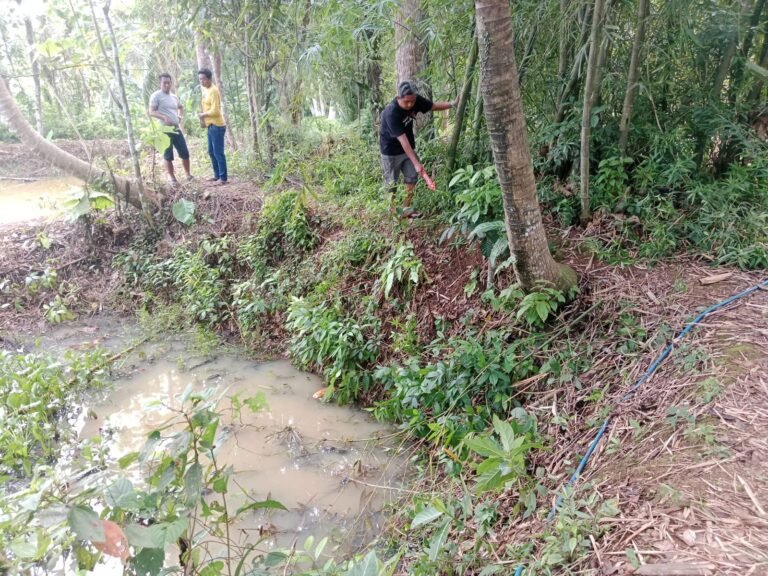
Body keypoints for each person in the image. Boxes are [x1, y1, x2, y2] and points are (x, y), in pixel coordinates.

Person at [379, 80, 456, 217]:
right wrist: (417, 163)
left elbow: (433, 106)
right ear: (398, 98)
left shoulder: (415, 100)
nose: (410, 105)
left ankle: (404, 210)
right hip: (390, 151)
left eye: (412, 102)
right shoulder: (391, 113)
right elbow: (403, 141)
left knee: (412, 177)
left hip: (407, 149)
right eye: (406, 102)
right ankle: (392, 213)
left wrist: (452, 104)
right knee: (391, 183)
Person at [148, 73, 192, 185]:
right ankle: (172, 178)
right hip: (164, 130)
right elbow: (151, 112)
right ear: (160, 83)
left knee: (184, 152)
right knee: (168, 155)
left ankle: (188, 174)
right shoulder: (156, 96)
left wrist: (180, 116)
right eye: (164, 83)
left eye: (168, 82)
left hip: (176, 129)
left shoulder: (174, 97)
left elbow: (180, 107)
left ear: (171, 83)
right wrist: (163, 117)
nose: (167, 85)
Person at [197, 68, 228, 186]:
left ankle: (223, 178)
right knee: (211, 151)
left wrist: (203, 115)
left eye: (203, 79)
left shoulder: (214, 91)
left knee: (218, 152)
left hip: (217, 125)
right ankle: (217, 175)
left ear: (209, 78)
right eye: (200, 79)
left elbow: (215, 111)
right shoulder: (205, 90)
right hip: (210, 125)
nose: (201, 81)